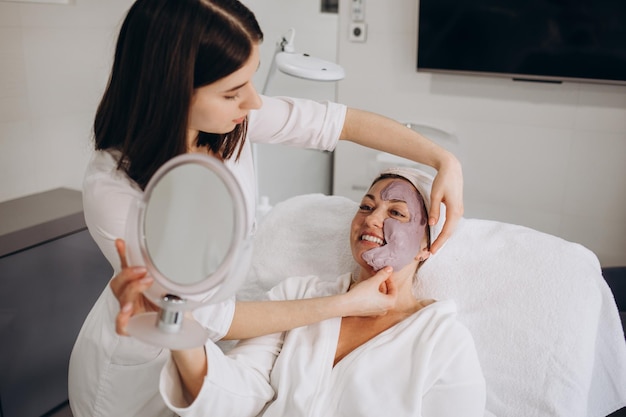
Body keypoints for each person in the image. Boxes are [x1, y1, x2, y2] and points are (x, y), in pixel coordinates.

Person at [68, 0, 465, 416]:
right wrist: (345, 305)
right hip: (136, 368)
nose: (254, 103)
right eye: (232, 92)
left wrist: (443, 161)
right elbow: (209, 318)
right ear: (172, 90)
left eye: (251, 81)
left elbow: (339, 122)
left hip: (207, 355)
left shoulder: (230, 124)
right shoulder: (114, 188)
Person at [143, 167, 485, 416]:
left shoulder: (443, 342)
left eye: (396, 212)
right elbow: (239, 391)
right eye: (366, 206)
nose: (371, 218)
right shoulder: (298, 294)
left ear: (427, 246)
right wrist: (177, 321)